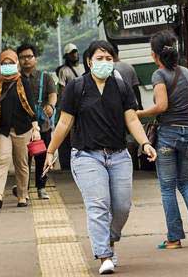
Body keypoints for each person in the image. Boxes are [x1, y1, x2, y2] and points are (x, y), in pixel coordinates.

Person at [44, 40, 157, 275]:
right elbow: (64, 123)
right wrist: (50, 151)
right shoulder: (77, 87)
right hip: (87, 156)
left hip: (118, 156)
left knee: (122, 206)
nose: (105, 63)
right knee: (99, 205)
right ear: (89, 61)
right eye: (99, 58)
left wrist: (144, 143)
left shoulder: (121, 86)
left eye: (109, 59)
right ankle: (104, 255)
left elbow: (132, 119)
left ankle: (109, 239)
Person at [136, 29, 188, 250]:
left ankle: (174, 238)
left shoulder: (159, 75)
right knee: (186, 181)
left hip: (168, 135)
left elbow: (162, 106)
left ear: (154, 55)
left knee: (167, 187)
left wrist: (138, 114)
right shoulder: (186, 73)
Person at [0, 49, 40, 209]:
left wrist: (35, 128)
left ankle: (22, 196)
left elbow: (31, 106)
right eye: (4, 63)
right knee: (2, 159)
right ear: (0, 65)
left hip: (23, 129)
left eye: (10, 63)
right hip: (3, 129)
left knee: (21, 163)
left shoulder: (23, 82)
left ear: (16, 64)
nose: (7, 66)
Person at [17, 43, 57, 200]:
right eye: (22, 57)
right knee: (23, 159)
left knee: (42, 158)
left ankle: (41, 187)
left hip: (42, 125)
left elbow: (53, 94)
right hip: (22, 126)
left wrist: (51, 106)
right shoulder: (15, 79)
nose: (26, 60)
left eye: (29, 56)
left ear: (35, 59)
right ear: (18, 60)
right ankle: (23, 190)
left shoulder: (45, 77)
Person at [56, 43, 84, 169]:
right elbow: (62, 90)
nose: (75, 54)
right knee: (65, 136)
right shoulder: (64, 71)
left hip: (83, 105)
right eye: (72, 53)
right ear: (67, 56)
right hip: (70, 106)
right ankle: (66, 165)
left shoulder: (83, 68)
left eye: (76, 52)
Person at [112, 43, 143, 110]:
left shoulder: (108, 69)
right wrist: (140, 104)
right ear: (118, 52)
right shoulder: (129, 67)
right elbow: (136, 89)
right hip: (131, 104)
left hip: (117, 106)